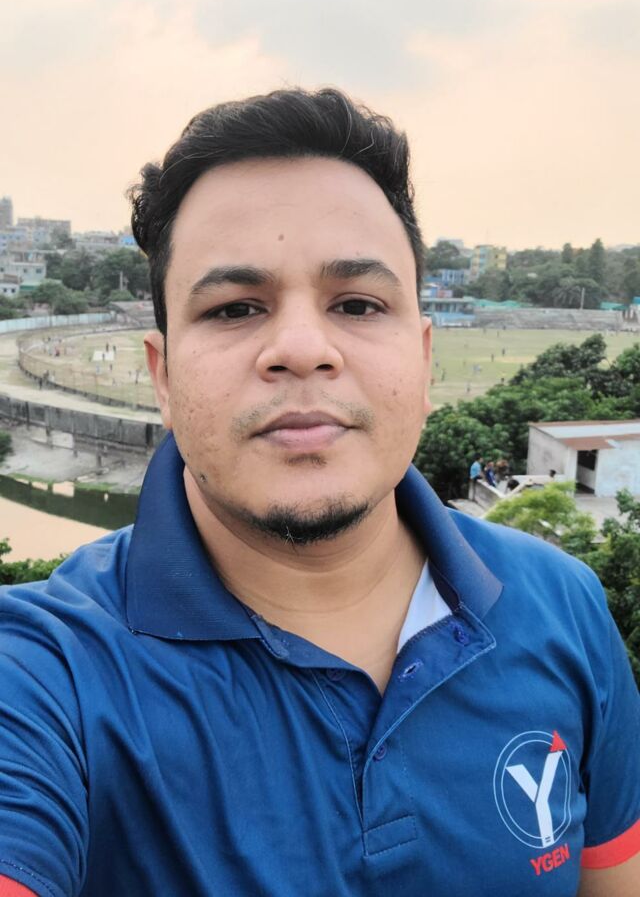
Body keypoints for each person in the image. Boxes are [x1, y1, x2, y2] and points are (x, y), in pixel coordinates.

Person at [0, 88, 637, 897]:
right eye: (235, 307)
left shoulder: (563, 606)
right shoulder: (43, 674)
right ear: (162, 377)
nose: (302, 348)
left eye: (358, 304)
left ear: (424, 356)